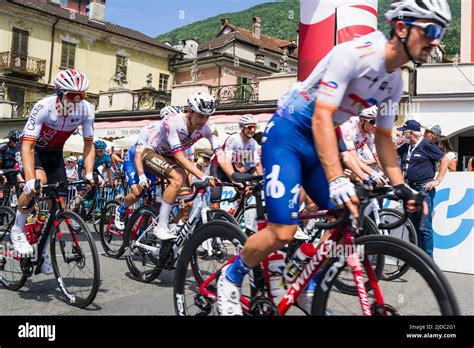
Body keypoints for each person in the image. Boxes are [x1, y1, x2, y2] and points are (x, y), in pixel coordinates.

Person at [217, 0, 451, 315]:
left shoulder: (394, 83)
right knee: (282, 231)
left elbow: (383, 138)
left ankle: (300, 280)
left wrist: (401, 186)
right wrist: (337, 176)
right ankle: (230, 276)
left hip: (319, 141)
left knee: (347, 213)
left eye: (441, 32)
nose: (436, 40)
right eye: (431, 30)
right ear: (401, 27)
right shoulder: (355, 54)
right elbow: (322, 116)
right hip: (288, 134)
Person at [13, 68, 95, 275]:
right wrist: (30, 180)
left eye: (79, 100)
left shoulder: (86, 110)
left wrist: (89, 172)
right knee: (37, 185)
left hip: (55, 154)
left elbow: (88, 145)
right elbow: (28, 147)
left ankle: (41, 253)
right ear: (58, 94)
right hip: (33, 150)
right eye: (70, 100)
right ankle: (17, 229)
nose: (74, 106)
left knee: (59, 207)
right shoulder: (43, 107)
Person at [142, 92, 234, 240]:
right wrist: (203, 175)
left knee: (188, 202)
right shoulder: (171, 121)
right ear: (190, 111)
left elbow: (220, 153)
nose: (204, 120)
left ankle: (172, 227)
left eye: (207, 116)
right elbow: (179, 156)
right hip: (153, 153)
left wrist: (234, 176)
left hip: (172, 159)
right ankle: (160, 227)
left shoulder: (209, 128)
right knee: (177, 178)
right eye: (200, 115)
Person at [397, 120, 449, 257]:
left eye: (404, 131)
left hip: (423, 188)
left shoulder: (426, 145)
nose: (402, 134)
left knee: (424, 226)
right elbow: (390, 156)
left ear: (411, 133)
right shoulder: (405, 147)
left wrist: (437, 180)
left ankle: (428, 259)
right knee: (412, 224)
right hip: (410, 188)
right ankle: (416, 256)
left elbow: (445, 159)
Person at [210, 114, 263, 210]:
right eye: (250, 127)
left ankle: (235, 213)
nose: (252, 130)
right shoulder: (233, 139)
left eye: (254, 127)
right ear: (242, 128)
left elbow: (256, 164)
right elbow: (226, 161)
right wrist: (236, 180)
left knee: (248, 190)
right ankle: (211, 221)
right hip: (219, 168)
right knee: (215, 203)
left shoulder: (253, 143)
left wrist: (263, 178)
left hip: (232, 168)